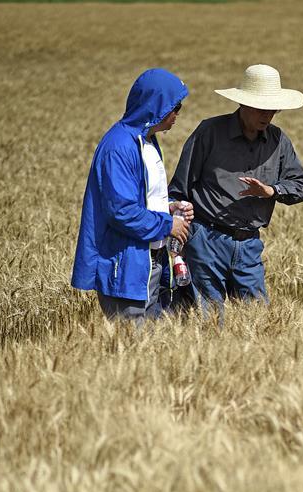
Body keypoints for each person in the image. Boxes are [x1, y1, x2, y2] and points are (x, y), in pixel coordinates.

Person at [168, 64, 303, 317]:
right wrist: (176, 233)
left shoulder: (279, 141)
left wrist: (271, 191)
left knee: (258, 319)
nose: (268, 115)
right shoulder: (209, 133)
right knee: (210, 319)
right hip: (206, 240)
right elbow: (179, 189)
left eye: (273, 109)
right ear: (243, 104)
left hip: (249, 244)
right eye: (261, 109)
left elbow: (301, 186)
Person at [71, 68, 194, 321]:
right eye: (176, 106)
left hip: (149, 263)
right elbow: (122, 211)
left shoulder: (146, 140)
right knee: (128, 348)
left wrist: (167, 208)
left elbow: (140, 199)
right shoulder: (119, 146)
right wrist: (168, 224)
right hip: (125, 267)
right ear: (157, 106)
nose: (178, 114)